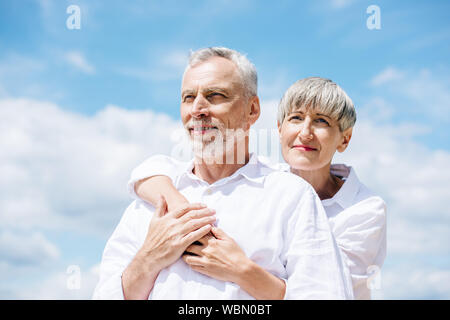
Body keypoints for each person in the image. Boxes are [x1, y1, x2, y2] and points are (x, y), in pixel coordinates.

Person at [93, 47, 353, 300]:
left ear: (252, 110)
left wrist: (245, 273)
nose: (198, 109)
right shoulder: (148, 206)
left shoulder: (291, 197)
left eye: (215, 95)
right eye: (188, 98)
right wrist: (148, 259)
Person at [129, 77, 386, 300]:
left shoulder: (364, 209)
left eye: (321, 121)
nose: (305, 133)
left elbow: (326, 288)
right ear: (280, 128)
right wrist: (180, 209)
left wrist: (241, 269)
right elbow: (152, 169)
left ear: (345, 138)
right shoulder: (265, 180)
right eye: (295, 118)